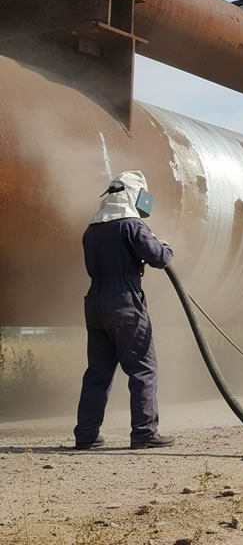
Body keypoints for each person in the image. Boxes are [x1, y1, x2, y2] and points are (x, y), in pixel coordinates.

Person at [74, 170, 175, 450]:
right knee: (143, 367)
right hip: (125, 301)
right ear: (134, 195)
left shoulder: (91, 229)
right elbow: (158, 258)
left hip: (95, 302)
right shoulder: (132, 225)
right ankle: (144, 433)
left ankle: (86, 435)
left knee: (98, 372)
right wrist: (165, 248)